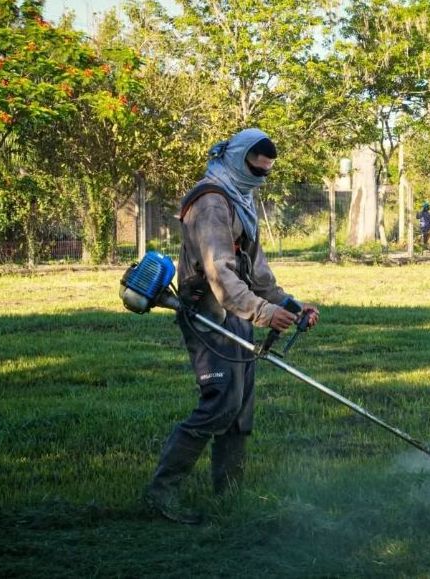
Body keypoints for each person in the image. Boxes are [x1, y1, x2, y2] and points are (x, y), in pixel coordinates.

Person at [144, 128, 319, 524]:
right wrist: (263, 312)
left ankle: (230, 497)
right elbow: (220, 273)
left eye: (266, 172)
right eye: (255, 169)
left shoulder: (241, 199)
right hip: (209, 315)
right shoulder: (211, 201)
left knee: (240, 409)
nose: (260, 177)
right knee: (220, 403)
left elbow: (255, 272)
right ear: (237, 159)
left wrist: (288, 305)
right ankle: (161, 493)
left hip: (238, 314)